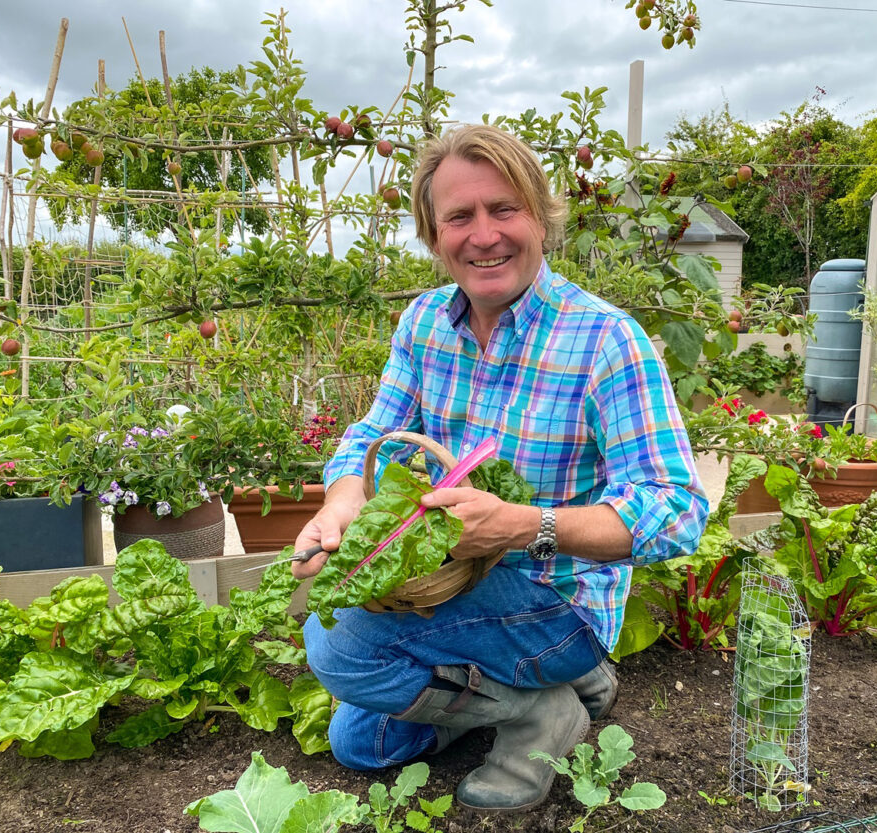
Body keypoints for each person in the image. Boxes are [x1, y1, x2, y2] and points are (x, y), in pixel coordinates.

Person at [293, 124, 708, 813]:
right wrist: (341, 504)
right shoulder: (425, 322)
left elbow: (677, 508)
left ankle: (538, 712)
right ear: (435, 234)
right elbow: (374, 435)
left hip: (557, 603)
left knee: (338, 646)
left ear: (541, 219)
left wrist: (525, 526)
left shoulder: (606, 339)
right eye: (459, 216)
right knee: (362, 743)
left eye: (503, 209)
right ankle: (549, 697)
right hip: (456, 591)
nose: (483, 234)